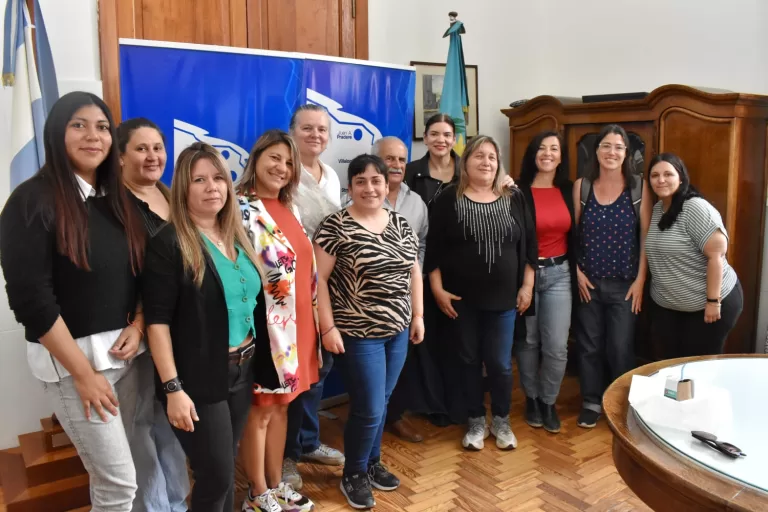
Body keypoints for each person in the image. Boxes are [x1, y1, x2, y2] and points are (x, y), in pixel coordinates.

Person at [0, 91, 146, 511]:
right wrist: (83, 374)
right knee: (118, 485)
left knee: (122, 473)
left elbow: (139, 274)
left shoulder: (114, 199)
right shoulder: (31, 200)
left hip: (125, 359)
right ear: (56, 133)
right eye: (78, 125)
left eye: (102, 127)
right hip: (75, 367)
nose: (93, 136)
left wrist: (138, 325)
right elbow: (31, 300)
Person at [142, 142, 262, 512]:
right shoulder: (169, 242)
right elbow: (157, 323)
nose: (212, 187)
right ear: (184, 188)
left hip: (243, 368)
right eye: (199, 180)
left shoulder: (237, 235)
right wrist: (173, 388)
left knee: (225, 468)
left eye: (218, 178)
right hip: (199, 378)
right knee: (216, 477)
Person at [314, 154, 424, 510]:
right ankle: (354, 473)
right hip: (358, 333)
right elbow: (319, 281)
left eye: (376, 180)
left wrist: (418, 316)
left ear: (386, 184)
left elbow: (414, 271)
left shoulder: (400, 223)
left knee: (382, 402)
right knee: (370, 407)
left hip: (398, 329)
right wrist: (327, 327)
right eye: (360, 181)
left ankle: (372, 463)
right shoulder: (335, 226)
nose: (370, 187)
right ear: (350, 187)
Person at [425, 135, 537, 451]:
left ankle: (501, 419)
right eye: (478, 156)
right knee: (468, 360)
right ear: (466, 162)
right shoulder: (448, 198)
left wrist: (527, 286)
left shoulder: (514, 197)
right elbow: (433, 249)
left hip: (504, 300)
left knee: (500, 364)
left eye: (491, 156)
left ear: (498, 163)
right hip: (461, 301)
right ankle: (475, 419)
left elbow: (530, 244)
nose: (486, 162)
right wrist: (437, 289)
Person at [237, 130, 316, 512]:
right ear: (256, 158)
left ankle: (275, 483)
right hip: (265, 327)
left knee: (283, 406)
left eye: (288, 162)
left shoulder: (290, 207)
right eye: (274, 157)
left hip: (297, 327)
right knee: (261, 409)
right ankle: (256, 492)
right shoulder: (238, 207)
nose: (281, 167)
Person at [117, 117, 190, 512]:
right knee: (140, 422)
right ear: (120, 156)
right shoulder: (113, 206)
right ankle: (154, 506)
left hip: (180, 328)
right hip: (136, 330)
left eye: (157, 148)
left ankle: (177, 499)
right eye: (141, 148)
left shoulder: (173, 196)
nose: (152, 156)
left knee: (170, 419)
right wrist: (142, 321)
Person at [280, 105, 345, 490]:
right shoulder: (284, 172)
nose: (315, 135)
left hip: (325, 284)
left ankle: (307, 441)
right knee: (292, 373)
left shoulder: (331, 176)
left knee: (320, 367)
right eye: (307, 128)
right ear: (292, 131)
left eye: (322, 129)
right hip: (288, 290)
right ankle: (286, 455)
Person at [573, 124, 652, 429]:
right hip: (588, 284)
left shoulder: (638, 188)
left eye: (619, 147)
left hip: (625, 285)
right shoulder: (582, 187)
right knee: (589, 347)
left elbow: (645, 238)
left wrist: (641, 280)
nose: (612, 152)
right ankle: (591, 401)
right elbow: (573, 235)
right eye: (606, 146)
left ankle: (619, 403)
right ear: (596, 151)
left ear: (626, 153)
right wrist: (577, 272)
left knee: (620, 348)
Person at [645, 153, 743, 357]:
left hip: (709, 306)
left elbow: (716, 256)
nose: (661, 180)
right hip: (669, 307)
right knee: (670, 364)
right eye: (655, 175)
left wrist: (713, 302)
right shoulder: (657, 209)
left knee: (699, 365)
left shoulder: (694, 207)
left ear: (681, 178)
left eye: (668, 174)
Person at [515, 131, 577, 434]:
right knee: (528, 342)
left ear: (561, 156)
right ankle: (532, 398)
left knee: (556, 346)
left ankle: (548, 401)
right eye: (541, 148)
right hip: (526, 274)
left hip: (559, 274)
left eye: (554, 149)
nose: (548, 153)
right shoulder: (517, 190)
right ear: (533, 153)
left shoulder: (569, 189)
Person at [405, 113, 460, 208]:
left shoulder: (468, 169)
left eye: (447, 135)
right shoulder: (409, 171)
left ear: (454, 140)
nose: (441, 140)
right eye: (434, 134)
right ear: (425, 138)